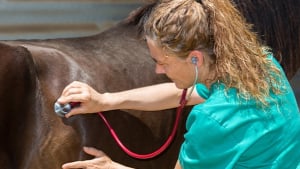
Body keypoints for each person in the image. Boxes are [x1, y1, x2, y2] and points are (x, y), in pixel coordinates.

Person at [57, 0, 300, 168]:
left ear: (196, 58)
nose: (157, 70)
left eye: (163, 62)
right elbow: (186, 94)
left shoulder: (213, 119)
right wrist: (106, 100)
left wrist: (112, 167)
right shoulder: (260, 64)